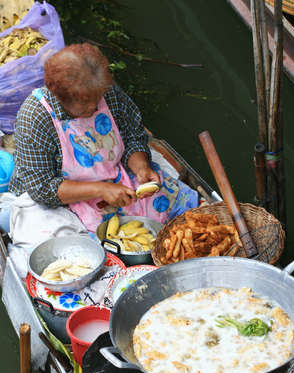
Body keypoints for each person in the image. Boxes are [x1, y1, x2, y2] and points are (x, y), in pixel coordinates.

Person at [9, 43, 198, 234]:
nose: (95, 107)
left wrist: (141, 167)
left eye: (98, 98)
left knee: (170, 199)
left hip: (114, 177)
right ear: (60, 98)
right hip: (64, 196)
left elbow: (132, 135)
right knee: (64, 238)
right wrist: (100, 189)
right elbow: (42, 188)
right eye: (85, 106)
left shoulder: (106, 91)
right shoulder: (34, 118)